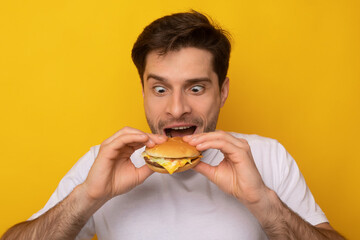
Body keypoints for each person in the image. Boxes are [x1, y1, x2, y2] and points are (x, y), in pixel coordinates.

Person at [1, 11, 344, 240]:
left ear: (222, 91)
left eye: (196, 88)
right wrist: (88, 197)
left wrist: (266, 206)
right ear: (144, 93)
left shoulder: (268, 157)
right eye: (160, 89)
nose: (177, 108)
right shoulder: (103, 163)